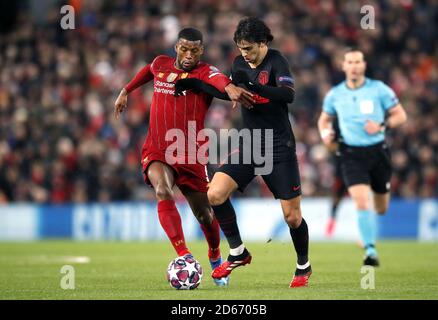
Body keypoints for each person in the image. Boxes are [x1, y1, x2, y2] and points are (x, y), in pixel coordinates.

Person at [175, 17, 312, 288]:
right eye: (240, 48)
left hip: (279, 146)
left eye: (249, 48)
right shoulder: (239, 64)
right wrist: (195, 84)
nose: (244, 54)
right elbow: (233, 93)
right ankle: (238, 251)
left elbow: (288, 95)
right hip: (250, 144)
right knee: (214, 193)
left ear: (263, 44)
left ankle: (303, 265)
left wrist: (257, 88)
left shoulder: (276, 61)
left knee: (292, 217)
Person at [114, 27, 254, 286]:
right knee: (162, 190)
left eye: (195, 50)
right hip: (158, 148)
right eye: (184, 48)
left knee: (205, 215)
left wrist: (232, 89)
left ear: (201, 50)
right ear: (176, 47)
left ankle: (214, 254)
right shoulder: (161, 64)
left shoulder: (204, 72)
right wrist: (126, 90)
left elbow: (220, 81)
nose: (189, 54)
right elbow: (147, 70)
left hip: (191, 153)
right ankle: (184, 255)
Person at [318, 48, 407, 266]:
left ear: (364, 65)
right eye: (350, 62)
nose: (355, 66)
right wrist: (325, 134)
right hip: (350, 153)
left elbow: (401, 115)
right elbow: (324, 120)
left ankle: (368, 235)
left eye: (358, 62)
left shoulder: (379, 90)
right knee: (360, 201)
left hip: (378, 152)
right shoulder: (335, 94)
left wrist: (382, 125)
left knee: (381, 207)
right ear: (344, 66)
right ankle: (370, 250)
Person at [325, 118, 347, 237]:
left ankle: (364, 228)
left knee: (361, 196)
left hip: (357, 166)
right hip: (341, 168)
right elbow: (329, 146)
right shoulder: (336, 122)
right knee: (337, 196)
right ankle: (332, 220)